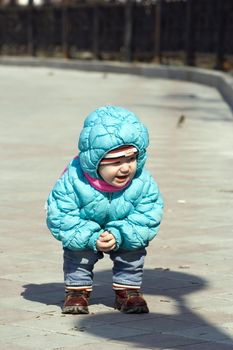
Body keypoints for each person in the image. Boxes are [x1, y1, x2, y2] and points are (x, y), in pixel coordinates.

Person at [46, 105, 164, 315]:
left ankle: (127, 290)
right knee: (77, 250)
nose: (126, 168)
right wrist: (90, 236)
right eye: (116, 162)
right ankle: (77, 290)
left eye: (131, 159)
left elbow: (148, 214)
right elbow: (61, 215)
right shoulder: (73, 180)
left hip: (124, 226)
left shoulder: (142, 182)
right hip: (85, 225)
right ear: (95, 163)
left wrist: (121, 234)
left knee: (133, 249)